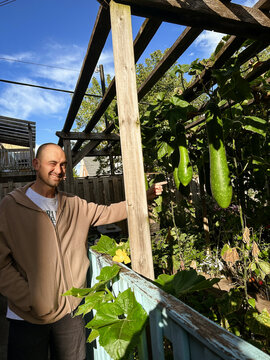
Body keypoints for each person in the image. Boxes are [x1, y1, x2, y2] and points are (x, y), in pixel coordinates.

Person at [0, 143, 165, 360]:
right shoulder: (11, 206)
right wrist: (29, 298)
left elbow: (108, 212)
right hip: (26, 316)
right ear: (36, 164)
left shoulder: (74, 204)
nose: (59, 170)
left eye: (63, 165)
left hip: (70, 311)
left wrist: (146, 196)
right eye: (52, 163)